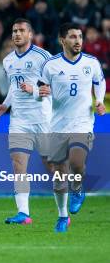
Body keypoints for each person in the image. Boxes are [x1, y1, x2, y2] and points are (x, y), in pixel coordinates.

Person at [39, 23, 106, 233]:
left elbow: (99, 82)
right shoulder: (50, 65)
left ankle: (77, 189)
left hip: (83, 123)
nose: (78, 41)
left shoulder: (91, 63)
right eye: (73, 37)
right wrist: (42, 96)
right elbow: (42, 90)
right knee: (59, 176)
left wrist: (100, 100)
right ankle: (62, 216)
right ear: (62, 41)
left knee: (77, 163)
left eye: (80, 37)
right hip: (57, 125)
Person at [0, 19, 53, 225]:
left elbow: (53, 89)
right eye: (14, 31)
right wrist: (4, 105)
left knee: (51, 165)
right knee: (18, 166)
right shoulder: (8, 60)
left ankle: (67, 201)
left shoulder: (44, 58)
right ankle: (23, 213)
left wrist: (34, 90)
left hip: (43, 119)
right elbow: (13, 87)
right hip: (19, 120)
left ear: (30, 34)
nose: (17, 34)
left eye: (21, 31)